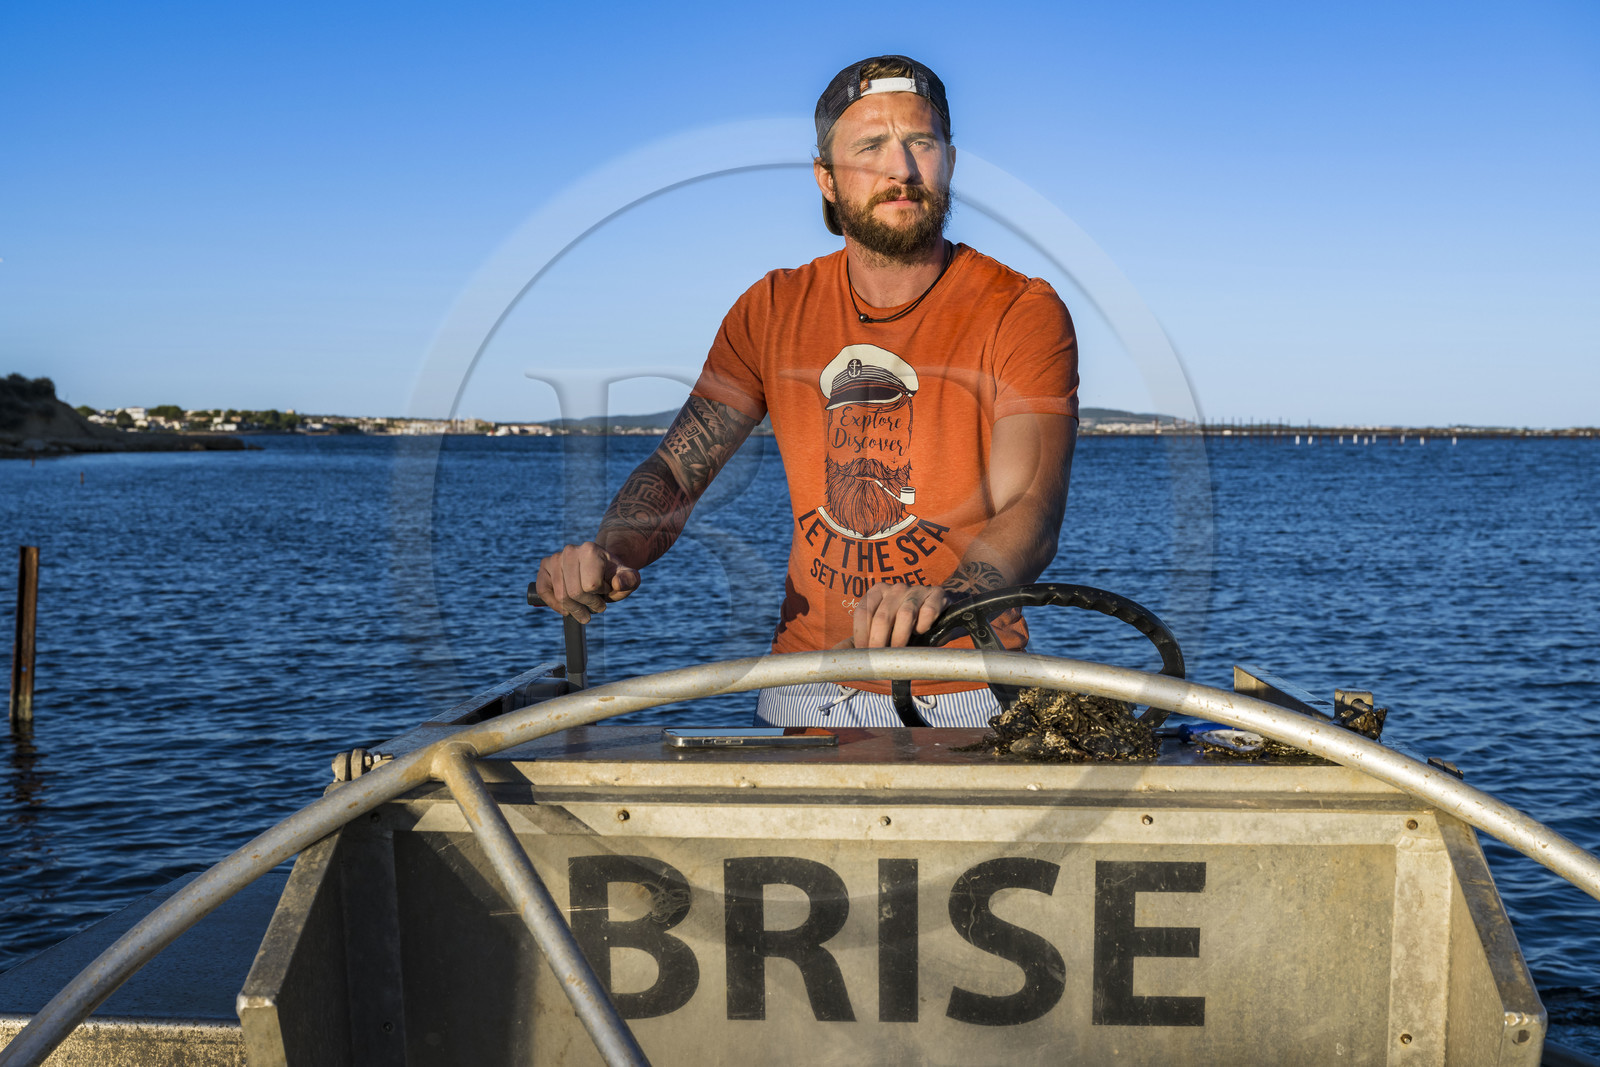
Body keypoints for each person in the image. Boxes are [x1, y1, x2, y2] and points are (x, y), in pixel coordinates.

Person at [534, 55, 1078, 727]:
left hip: (965, 687)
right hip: (806, 681)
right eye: (870, 147)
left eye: (921, 143)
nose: (901, 169)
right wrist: (608, 553)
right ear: (826, 179)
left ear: (950, 161)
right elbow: (677, 468)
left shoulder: (1019, 307)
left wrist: (945, 600)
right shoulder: (771, 309)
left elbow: (1031, 504)